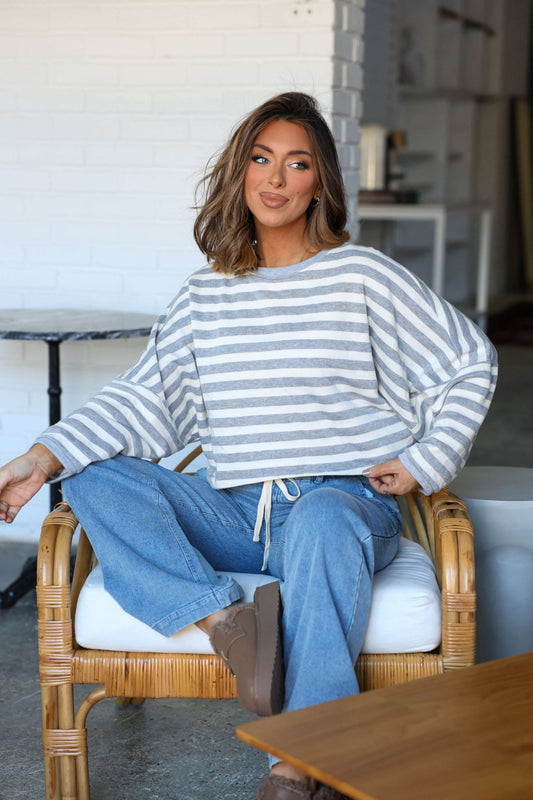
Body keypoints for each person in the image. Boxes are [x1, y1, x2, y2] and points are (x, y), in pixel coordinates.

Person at [0, 92, 497, 800]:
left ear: (319, 182)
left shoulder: (361, 276)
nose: (275, 178)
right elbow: (144, 400)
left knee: (323, 516)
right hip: (236, 512)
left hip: (343, 504)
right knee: (92, 474)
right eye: (261, 160)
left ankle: (299, 761)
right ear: (239, 174)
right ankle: (226, 620)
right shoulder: (206, 295)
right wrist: (38, 459)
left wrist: (424, 459)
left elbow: (468, 361)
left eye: (296, 164)